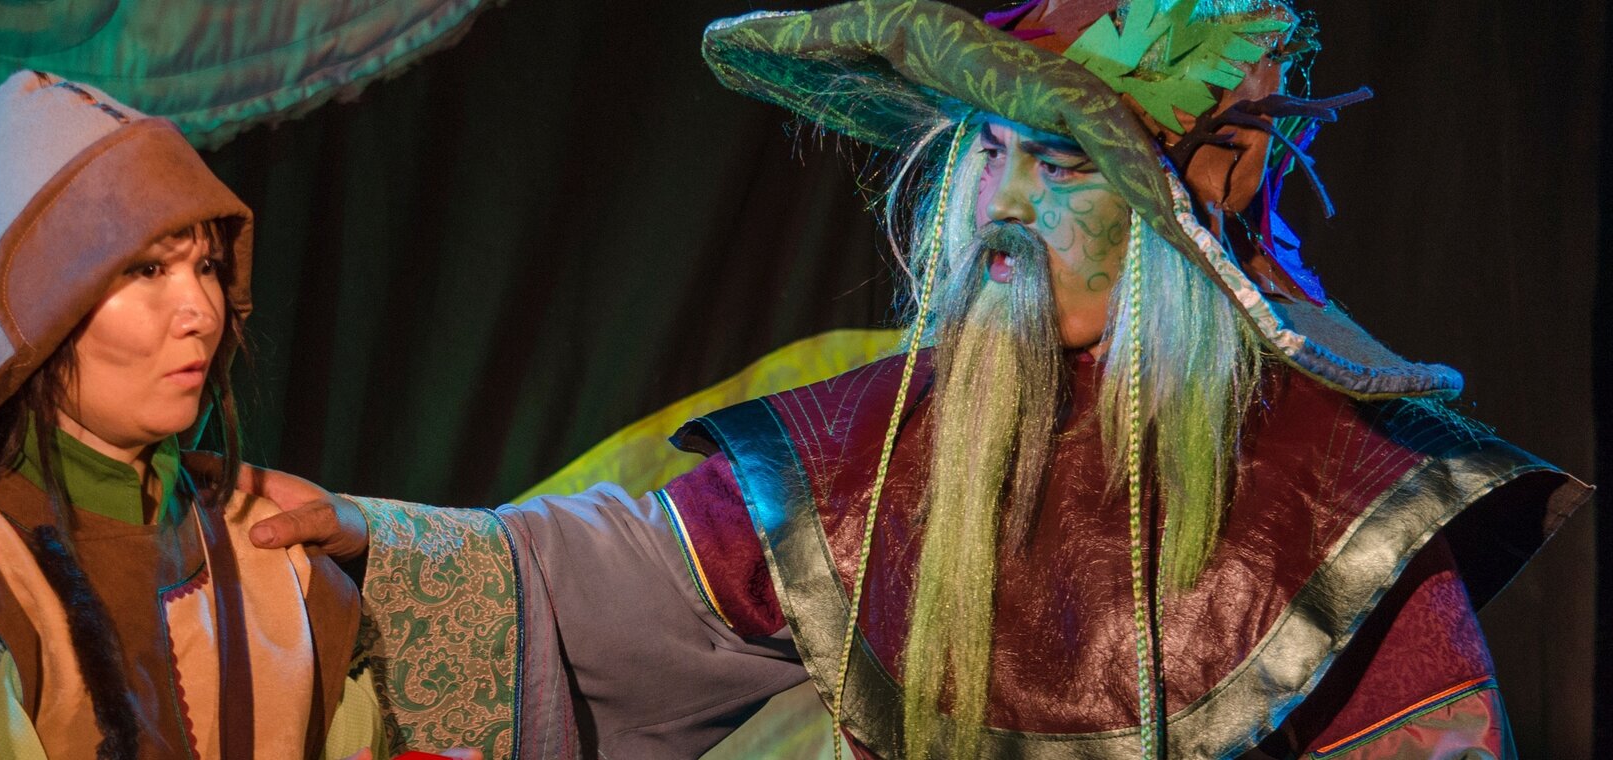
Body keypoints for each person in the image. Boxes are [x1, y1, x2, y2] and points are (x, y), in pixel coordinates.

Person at [237, 1, 1592, 758]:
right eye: (985, 149)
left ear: (1190, 212)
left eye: (1057, 164)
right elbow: (604, 584)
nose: (1000, 204)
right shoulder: (888, 439)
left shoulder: (1335, 501)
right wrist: (375, 540)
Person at [0, 70, 397, 759]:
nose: (202, 313)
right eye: (147, 269)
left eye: (208, 266)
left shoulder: (280, 568)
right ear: (42, 312)